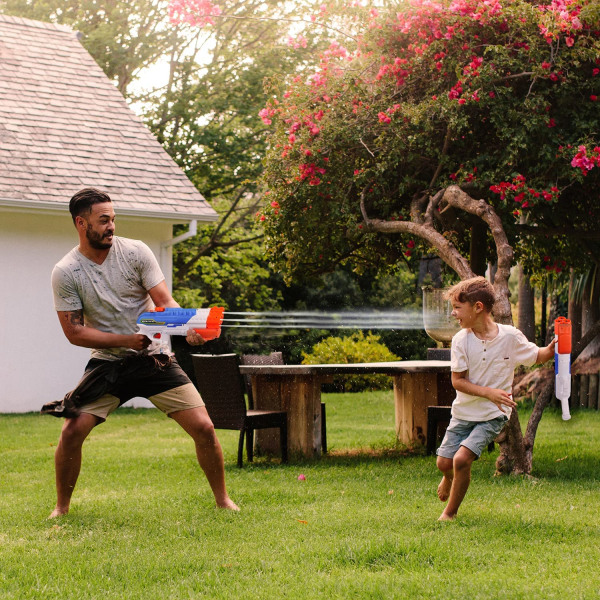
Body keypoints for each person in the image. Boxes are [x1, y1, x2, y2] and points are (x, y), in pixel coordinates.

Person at [47, 188, 239, 518]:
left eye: (113, 219)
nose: (111, 226)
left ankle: (223, 500)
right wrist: (124, 340)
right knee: (72, 430)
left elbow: (165, 301)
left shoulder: (136, 252)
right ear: (81, 223)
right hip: (109, 363)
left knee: (205, 428)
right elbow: (74, 332)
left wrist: (187, 326)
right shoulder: (66, 271)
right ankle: (61, 508)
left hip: (156, 359)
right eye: (103, 220)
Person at [436, 276, 555, 521]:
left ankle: (449, 513)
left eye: (458, 308)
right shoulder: (461, 340)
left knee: (461, 459)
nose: (453, 313)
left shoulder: (510, 337)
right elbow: (457, 381)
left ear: (478, 307)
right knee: (444, 464)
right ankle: (448, 478)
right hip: (463, 413)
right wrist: (489, 392)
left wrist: (552, 349)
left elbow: (537, 355)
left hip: (493, 414)